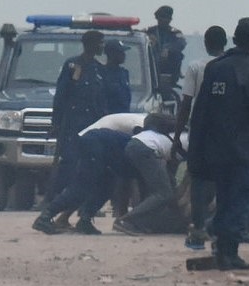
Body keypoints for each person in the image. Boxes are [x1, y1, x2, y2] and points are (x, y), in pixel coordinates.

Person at [188, 17, 249, 270]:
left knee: (224, 198)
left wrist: (196, 146)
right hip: (245, 152)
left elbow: (201, 111)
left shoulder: (216, 68)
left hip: (217, 149)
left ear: (235, 39)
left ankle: (221, 248)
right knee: (238, 200)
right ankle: (228, 252)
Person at [35, 114, 179, 235]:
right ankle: (45, 216)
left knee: (106, 187)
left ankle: (85, 220)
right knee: (82, 185)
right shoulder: (146, 135)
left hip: (106, 147)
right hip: (96, 142)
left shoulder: (154, 138)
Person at [176, 25, 227, 250]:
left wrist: (178, 135)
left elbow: (186, 103)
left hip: (200, 130)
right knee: (224, 181)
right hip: (226, 132)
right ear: (225, 43)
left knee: (198, 181)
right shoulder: (231, 66)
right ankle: (219, 232)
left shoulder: (196, 66)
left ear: (206, 43)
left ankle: (198, 229)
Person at [46, 30, 109, 211]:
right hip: (73, 123)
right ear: (89, 44)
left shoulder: (98, 69)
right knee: (69, 163)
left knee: (90, 163)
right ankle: (57, 201)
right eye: (100, 42)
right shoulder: (72, 65)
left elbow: (102, 100)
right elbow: (61, 96)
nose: (102, 46)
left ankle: (82, 203)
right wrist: (56, 123)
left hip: (92, 124)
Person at [145, 6, 186, 100]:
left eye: (166, 18)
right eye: (161, 17)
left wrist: (168, 49)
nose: (163, 20)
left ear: (170, 19)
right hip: (151, 69)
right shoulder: (150, 31)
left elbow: (182, 43)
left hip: (168, 71)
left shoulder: (175, 33)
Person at [101, 40, 132, 113]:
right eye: (120, 52)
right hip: (108, 117)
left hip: (123, 115)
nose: (124, 55)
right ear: (112, 54)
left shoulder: (124, 73)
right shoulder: (102, 73)